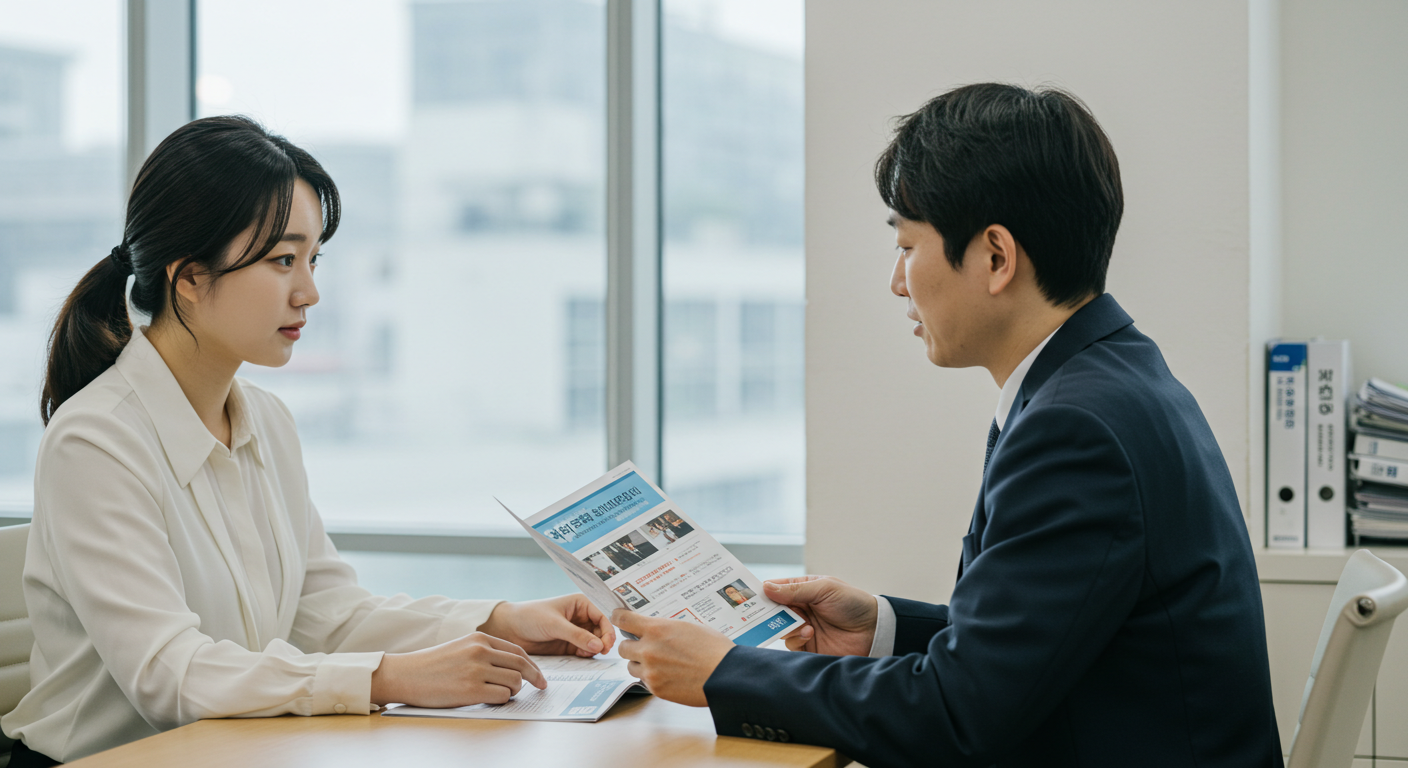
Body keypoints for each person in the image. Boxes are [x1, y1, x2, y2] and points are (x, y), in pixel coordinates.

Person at [613, 84, 1282, 767]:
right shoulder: (1113, 378)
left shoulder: (1076, 431)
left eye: (908, 246)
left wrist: (726, 673)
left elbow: (956, 718)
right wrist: (885, 628)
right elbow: (1035, 646)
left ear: (995, 257)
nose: (898, 282)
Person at [0, 117, 615, 767]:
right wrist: (388, 679)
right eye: (282, 260)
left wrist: (497, 621)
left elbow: (327, 614)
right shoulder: (93, 443)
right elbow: (169, 674)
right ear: (188, 277)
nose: (310, 292)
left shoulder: (266, 421)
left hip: (235, 752)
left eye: (312, 259)